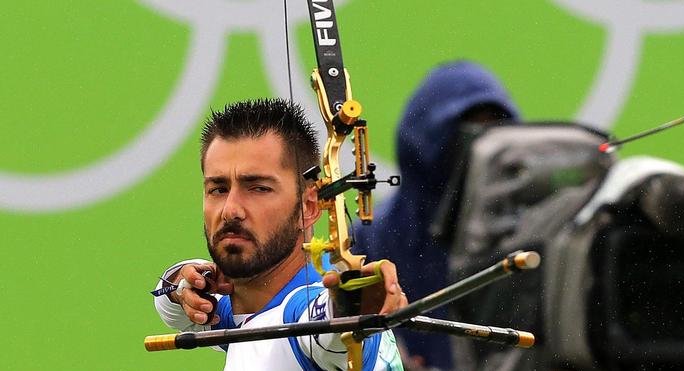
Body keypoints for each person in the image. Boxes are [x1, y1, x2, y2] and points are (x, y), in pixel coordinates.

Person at [152, 98, 406, 371]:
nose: (230, 210)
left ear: (308, 207)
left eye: (258, 188)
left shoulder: (303, 311)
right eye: (218, 189)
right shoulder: (241, 312)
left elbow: (326, 325)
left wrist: (358, 300)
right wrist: (180, 283)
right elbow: (170, 304)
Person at [352, 61, 521, 370]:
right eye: (470, 135)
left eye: (496, 136)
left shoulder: (529, 236)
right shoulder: (368, 239)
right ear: (425, 143)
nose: (483, 154)